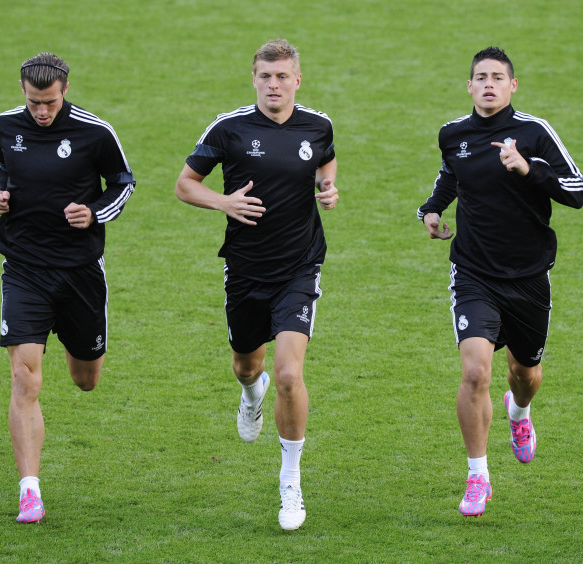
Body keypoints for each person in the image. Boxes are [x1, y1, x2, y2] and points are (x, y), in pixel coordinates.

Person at [175, 39, 338, 530]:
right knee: (248, 365)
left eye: (282, 76)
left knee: (291, 374)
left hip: (300, 267)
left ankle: (290, 481)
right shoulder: (229, 129)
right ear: (254, 78)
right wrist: (223, 203)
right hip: (245, 268)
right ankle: (251, 394)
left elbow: (324, 159)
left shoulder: (318, 124)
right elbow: (185, 184)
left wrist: (328, 187)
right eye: (265, 76)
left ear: (297, 79)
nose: (274, 85)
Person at [417, 46, 583, 517]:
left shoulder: (534, 133)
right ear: (469, 86)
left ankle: (519, 411)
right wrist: (431, 210)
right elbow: (451, 176)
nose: (488, 83)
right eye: (480, 77)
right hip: (473, 271)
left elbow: (578, 191)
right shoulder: (453, 134)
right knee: (474, 372)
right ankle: (478, 476)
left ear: (512, 86)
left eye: (498, 77)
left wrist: (529, 169)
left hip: (529, 276)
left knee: (525, 374)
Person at [0, 52, 135, 523]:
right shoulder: (6, 125)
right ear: (22, 92)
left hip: (80, 272)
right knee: (24, 379)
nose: (41, 112)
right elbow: (3, 170)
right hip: (25, 269)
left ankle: (84, 358)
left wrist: (94, 213)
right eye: (33, 103)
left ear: (65, 90)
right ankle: (29, 489)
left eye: (49, 103)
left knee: (84, 379)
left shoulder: (95, 132)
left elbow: (123, 184)